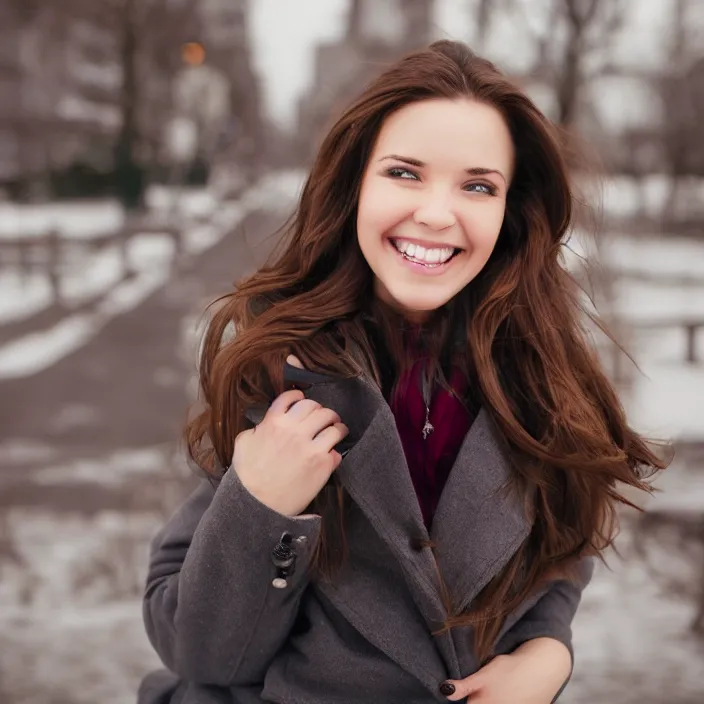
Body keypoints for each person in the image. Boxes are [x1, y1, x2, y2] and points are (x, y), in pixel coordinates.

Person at [138, 40, 668, 704]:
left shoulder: (541, 376)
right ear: (356, 182)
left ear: (510, 209)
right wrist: (259, 502)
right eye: (405, 173)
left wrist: (546, 650)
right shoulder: (278, 365)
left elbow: (562, 539)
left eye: (477, 185)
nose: (437, 213)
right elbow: (198, 649)